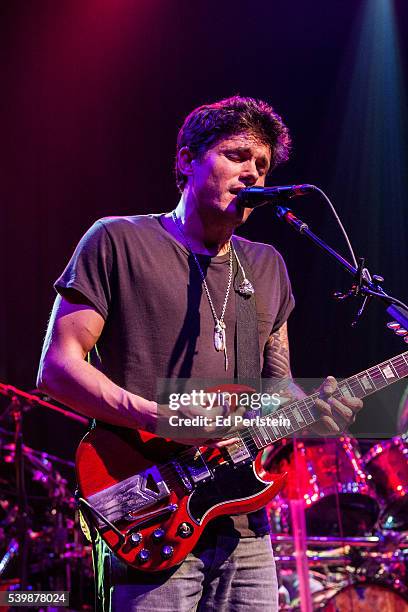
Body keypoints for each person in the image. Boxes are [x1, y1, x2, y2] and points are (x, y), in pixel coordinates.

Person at [37, 96, 362, 611]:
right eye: (237, 156)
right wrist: (155, 416)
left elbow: (276, 390)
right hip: (148, 504)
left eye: (263, 165)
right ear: (187, 159)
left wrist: (317, 412)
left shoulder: (269, 265)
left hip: (245, 523)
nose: (253, 174)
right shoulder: (118, 239)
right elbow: (58, 368)